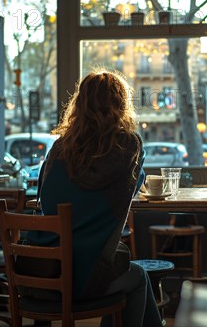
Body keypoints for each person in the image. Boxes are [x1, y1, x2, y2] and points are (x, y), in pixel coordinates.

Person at [28, 69, 162, 327]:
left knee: (133, 272)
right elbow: (130, 190)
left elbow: (44, 199)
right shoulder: (129, 145)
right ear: (121, 105)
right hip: (85, 275)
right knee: (136, 277)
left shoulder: (59, 148)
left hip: (42, 270)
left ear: (79, 103)